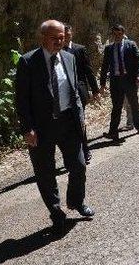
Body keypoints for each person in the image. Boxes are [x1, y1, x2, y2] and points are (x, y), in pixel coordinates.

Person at [15, 20, 94, 235]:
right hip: (41, 127)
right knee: (45, 172)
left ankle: (76, 201)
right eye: (55, 37)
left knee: (78, 165)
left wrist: (80, 115)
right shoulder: (28, 62)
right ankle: (56, 211)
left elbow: (74, 89)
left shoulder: (69, 58)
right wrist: (27, 128)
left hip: (68, 122)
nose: (60, 41)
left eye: (62, 37)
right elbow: (21, 99)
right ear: (43, 38)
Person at [99, 24, 139, 141]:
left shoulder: (131, 45)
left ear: (123, 34)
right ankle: (113, 132)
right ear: (112, 35)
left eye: (119, 34)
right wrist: (103, 83)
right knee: (116, 107)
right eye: (115, 34)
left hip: (129, 80)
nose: (117, 36)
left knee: (134, 104)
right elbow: (104, 66)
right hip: (115, 82)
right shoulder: (109, 48)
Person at [63, 25, 99, 163]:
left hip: (79, 90)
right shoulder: (56, 51)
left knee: (79, 121)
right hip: (62, 93)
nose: (66, 36)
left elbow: (88, 70)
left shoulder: (79, 49)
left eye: (68, 33)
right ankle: (73, 154)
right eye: (63, 33)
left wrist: (95, 90)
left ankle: (85, 149)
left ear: (72, 33)